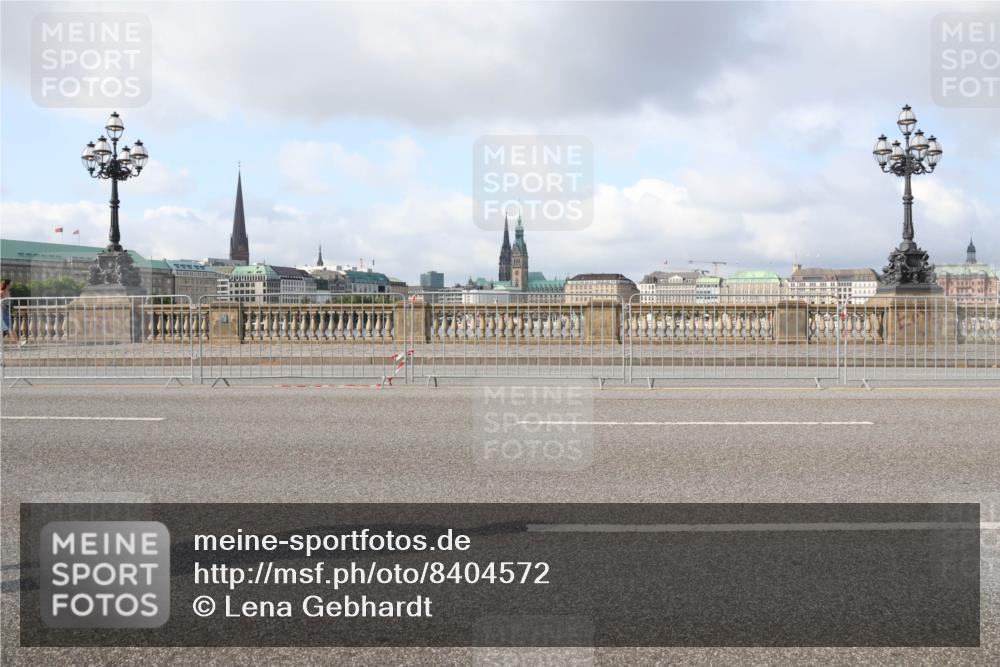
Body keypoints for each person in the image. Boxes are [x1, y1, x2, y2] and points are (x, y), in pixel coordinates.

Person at [1, 278, 26, 347]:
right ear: (7, 284)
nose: (12, 285)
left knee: (7, 329)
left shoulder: (8, 292)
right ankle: (18, 343)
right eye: (11, 283)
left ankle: (17, 343)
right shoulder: (2, 292)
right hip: (3, 312)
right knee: (10, 328)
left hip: (6, 312)